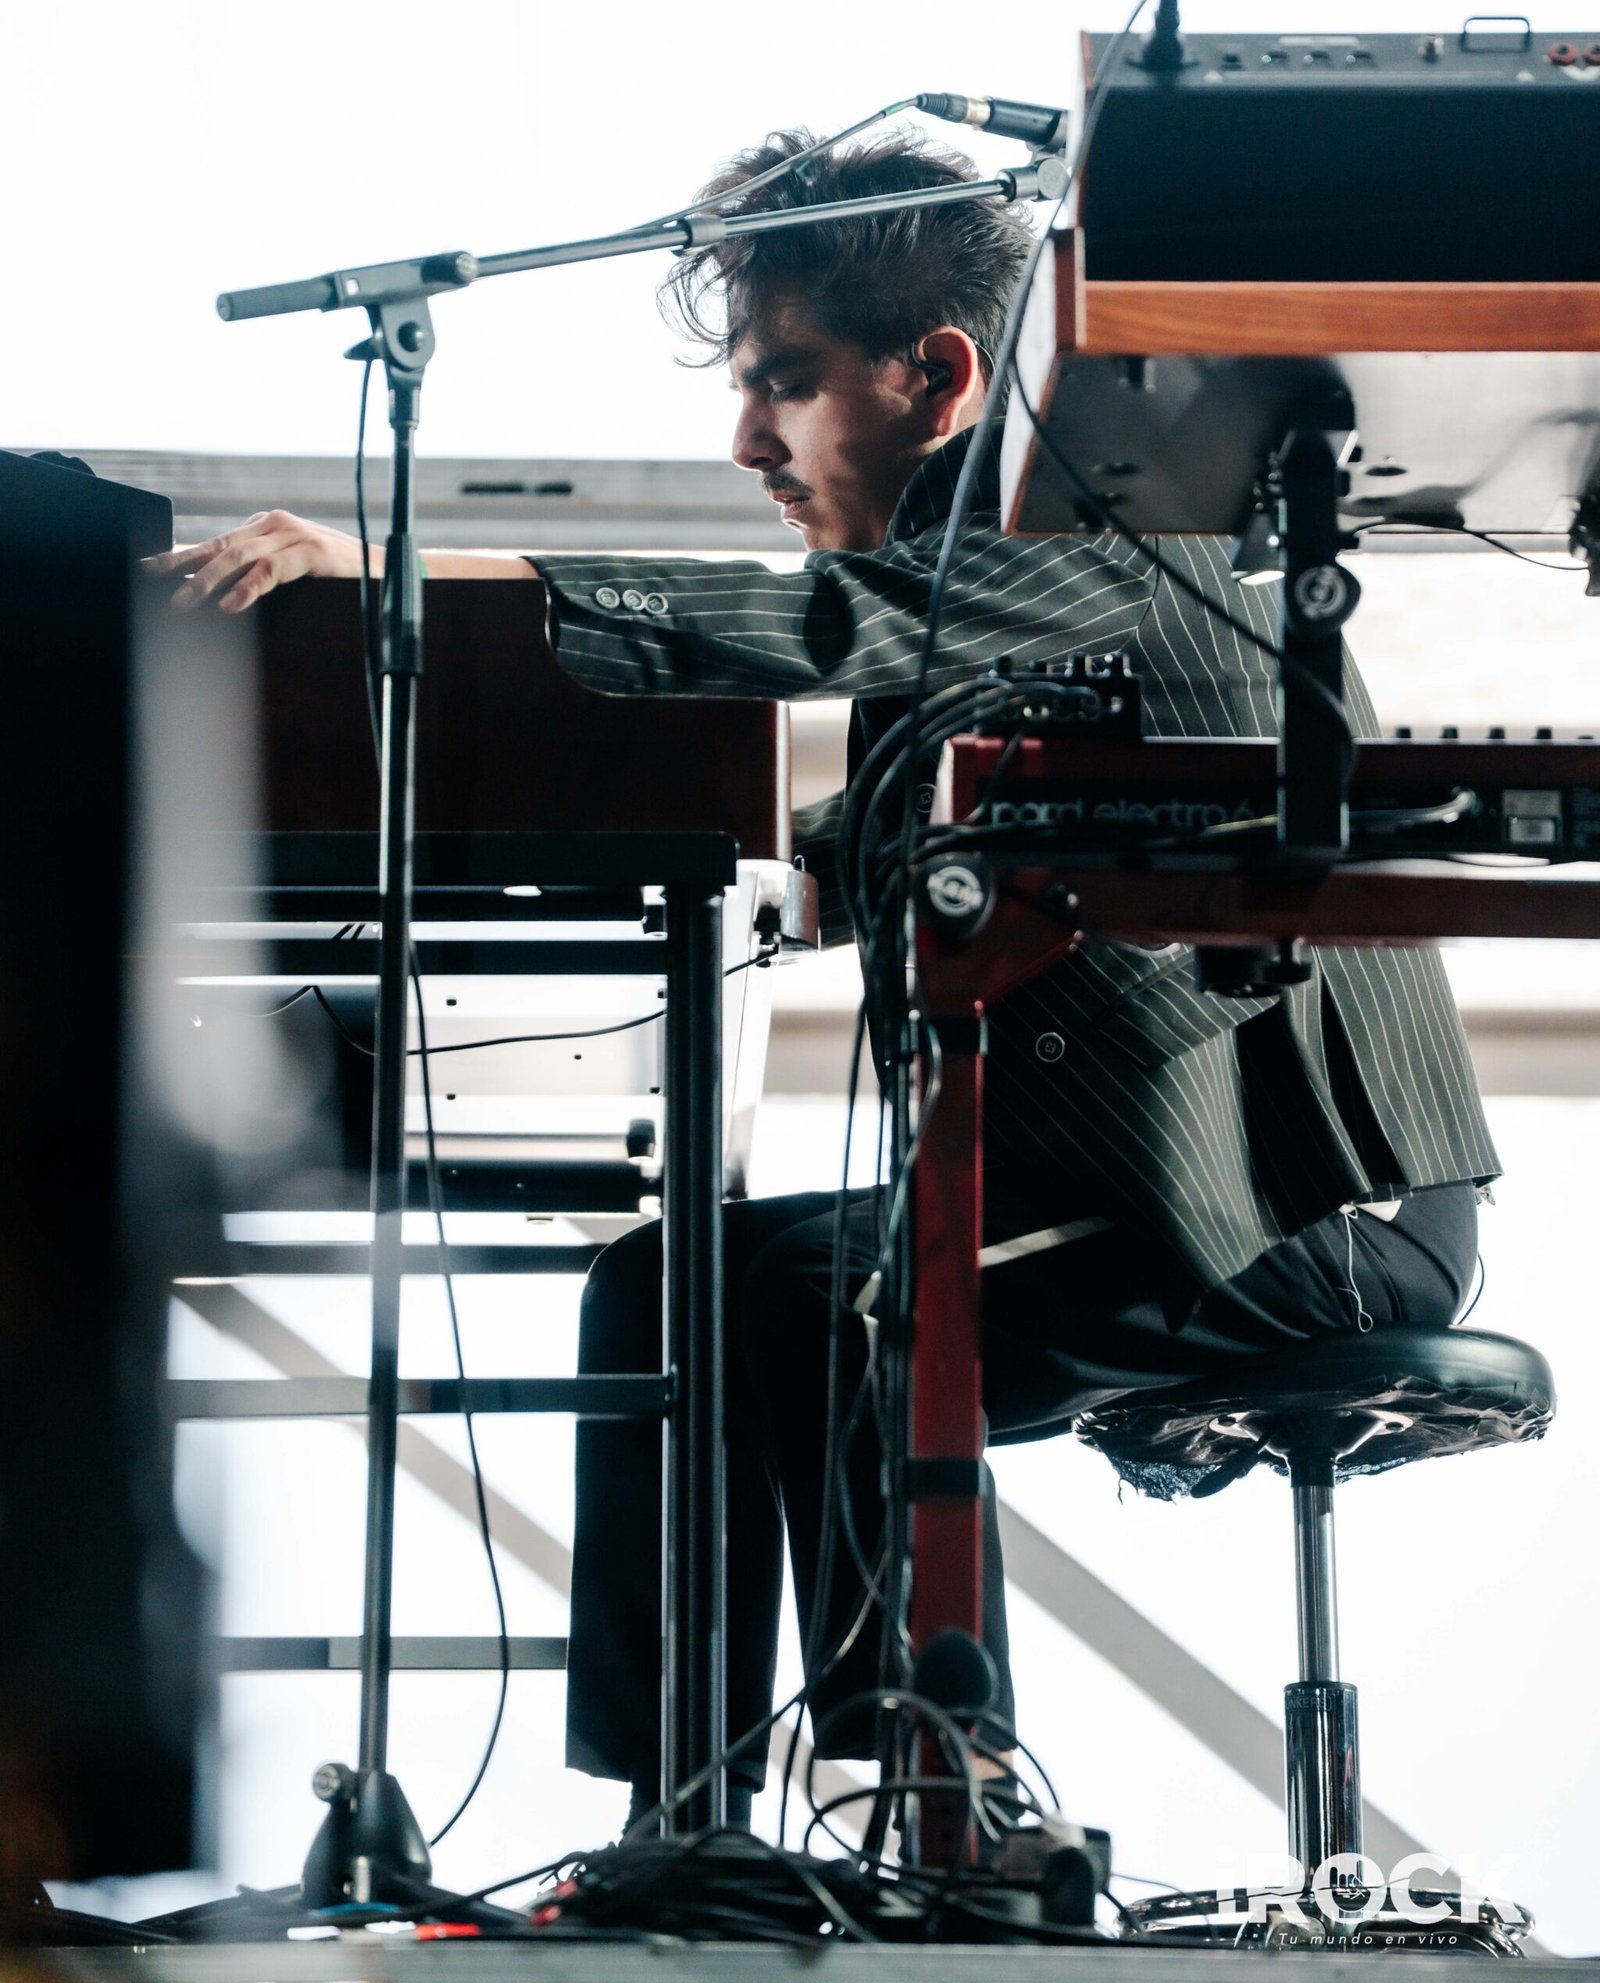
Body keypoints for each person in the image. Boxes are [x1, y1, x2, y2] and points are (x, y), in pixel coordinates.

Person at [151, 130, 1499, 1834]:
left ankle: (947, 1792)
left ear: (937, 372)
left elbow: (824, 626)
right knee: (668, 1285)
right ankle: (682, 1814)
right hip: (1150, 1178)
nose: (746, 443)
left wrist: (398, 576)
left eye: (782, 384)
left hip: (1310, 1207)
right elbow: (886, 805)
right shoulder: (977, 572)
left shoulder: (1105, 518)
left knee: (825, 1300)